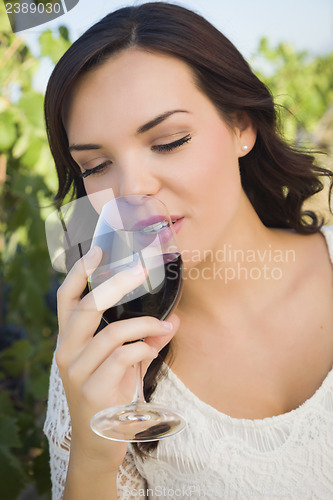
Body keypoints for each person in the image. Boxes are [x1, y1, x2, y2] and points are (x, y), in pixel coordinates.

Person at [43, 3, 333, 498]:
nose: (133, 188)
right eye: (96, 166)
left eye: (170, 141)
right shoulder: (98, 361)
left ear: (242, 127)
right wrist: (95, 450)